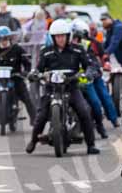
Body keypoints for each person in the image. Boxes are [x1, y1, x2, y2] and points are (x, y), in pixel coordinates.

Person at [26, 20, 99, 155]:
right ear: (53, 37)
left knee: (84, 111)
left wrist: (88, 73)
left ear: (68, 36)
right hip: (51, 89)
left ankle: (91, 144)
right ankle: (33, 141)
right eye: (57, 36)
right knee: (41, 115)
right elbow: (38, 69)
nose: (60, 39)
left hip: (71, 87)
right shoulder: (46, 52)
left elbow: (89, 65)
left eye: (63, 36)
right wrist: (34, 74)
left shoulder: (78, 50)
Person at [0, 27, 36, 134]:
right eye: (2, 39)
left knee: (27, 98)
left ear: (10, 38)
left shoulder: (17, 49)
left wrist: (25, 72)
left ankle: (35, 122)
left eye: (6, 38)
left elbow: (27, 63)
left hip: (15, 77)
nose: (4, 41)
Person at [71, 19, 118, 136]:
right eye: (74, 36)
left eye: (79, 36)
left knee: (100, 100)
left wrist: (97, 68)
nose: (76, 39)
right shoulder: (67, 48)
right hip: (74, 80)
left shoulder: (90, 45)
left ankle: (104, 123)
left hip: (91, 78)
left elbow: (96, 60)